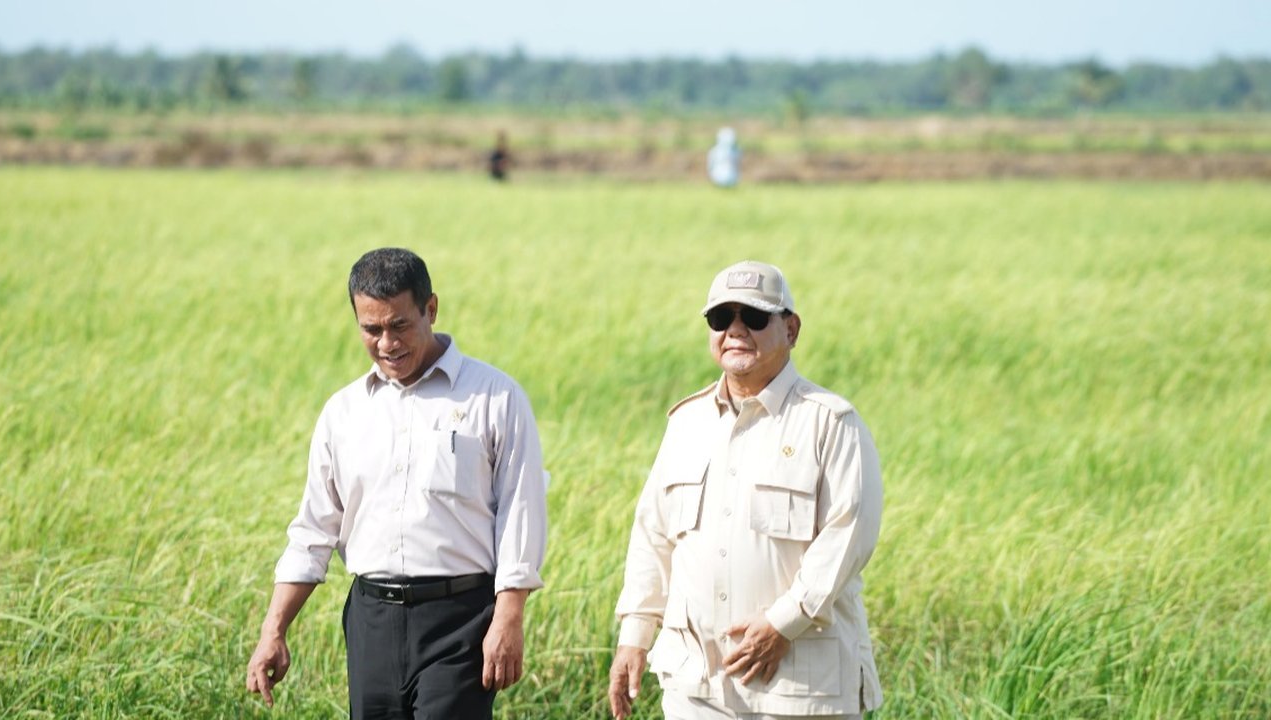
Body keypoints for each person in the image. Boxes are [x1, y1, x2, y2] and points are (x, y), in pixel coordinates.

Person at [245, 247, 548, 719]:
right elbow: (314, 530)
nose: (387, 343)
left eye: (399, 325)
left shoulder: (495, 398)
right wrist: (273, 630)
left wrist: (509, 617)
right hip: (372, 621)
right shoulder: (344, 413)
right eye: (372, 329)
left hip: (461, 621)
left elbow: (520, 511)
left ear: (431, 309)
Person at [608, 260, 883, 720]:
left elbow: (847, 538)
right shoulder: (686, 422)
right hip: (696, 685)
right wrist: (635, 636)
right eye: (721, 318)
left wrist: (782, 624)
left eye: (754, 317)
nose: (735, 330)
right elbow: (652, 537)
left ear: (791, 329)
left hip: (801, 688)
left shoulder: (831, 422)